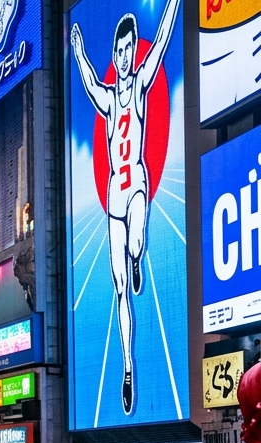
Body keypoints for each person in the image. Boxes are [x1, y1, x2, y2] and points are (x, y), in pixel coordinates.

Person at [68, 0, 182, 414]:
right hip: (116, 192)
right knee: (120, 291)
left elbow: (166, 38)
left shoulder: (140, 84)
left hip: (137, 183)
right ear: (115, 56)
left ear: (134, 51)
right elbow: (86, 84)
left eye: (130, 48)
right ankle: (129, 367)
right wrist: (79, 53)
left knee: (136, 243)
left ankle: (138, 256)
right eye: (121, 51)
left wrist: (170, 5)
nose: (126, 55)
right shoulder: (109, 96)